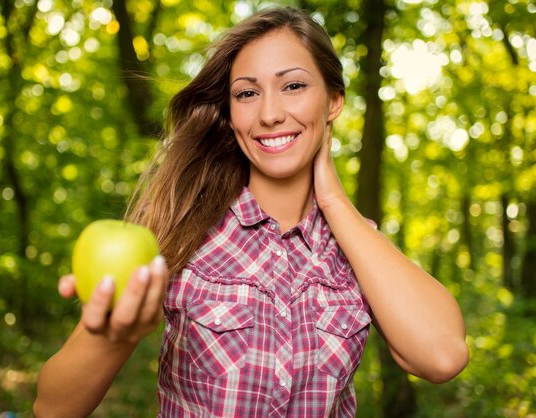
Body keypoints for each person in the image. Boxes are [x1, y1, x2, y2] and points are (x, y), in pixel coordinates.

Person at [34, 6, 469, 417]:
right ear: (231, 111)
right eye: (247, 93)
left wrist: (334, 200)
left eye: (293, 86)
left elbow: (442, 357)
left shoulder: (359, 244)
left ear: (333, 101)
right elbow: (52, 409)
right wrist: (109, 339)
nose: (270, 114)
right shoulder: (184, 223)